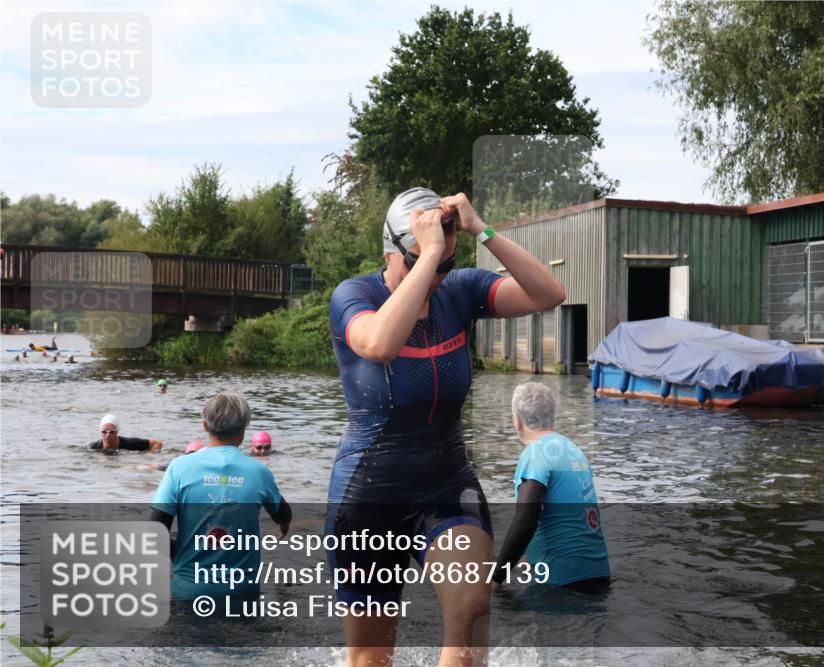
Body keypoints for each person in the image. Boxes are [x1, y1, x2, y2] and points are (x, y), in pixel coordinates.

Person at [326, 187, 565, 666]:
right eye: (424, 263)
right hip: (370, 493)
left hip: (446, 483)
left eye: (446, 266)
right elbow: (378, 345)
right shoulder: (355, 295)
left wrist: (481, 231)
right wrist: (430, 253)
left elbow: (549, 294)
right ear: (393, 251)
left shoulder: (459, 292)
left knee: (472, 607)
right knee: (371, 660)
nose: (437, 277)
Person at [150, 391, 292, 599]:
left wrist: (177, 553)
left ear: (205, 426)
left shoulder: (179, 468)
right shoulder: (258, 472)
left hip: (188, 589)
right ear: (244, 429)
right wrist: (284, 522)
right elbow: (282, 513)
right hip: (242, 593)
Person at [493, 382, 610, 592]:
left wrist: (496, 579)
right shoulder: (575, 451)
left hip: (561, 582)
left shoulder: (535, 454)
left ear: (517, 421)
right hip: (598, 575)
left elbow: (526, 521)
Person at [87, 414, 164, 452]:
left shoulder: (129, 443)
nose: (108, 435)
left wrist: (150, 456)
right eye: (104, 432)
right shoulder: (93, 447)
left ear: (117, 431)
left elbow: (157, 443)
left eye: (112, 432)